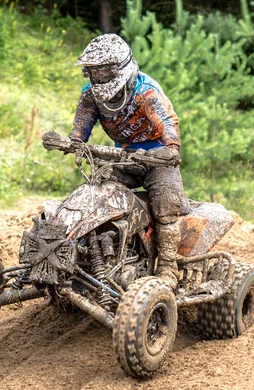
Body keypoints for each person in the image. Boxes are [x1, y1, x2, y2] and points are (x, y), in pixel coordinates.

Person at [69, 33, 188, 290]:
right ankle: (91, 254)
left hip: (158, 158)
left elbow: (167, 123)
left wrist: (171, 149)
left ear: (120, 68)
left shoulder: (146, 92)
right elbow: (81, 126)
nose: (99, 76)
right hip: (122, 157)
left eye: (104, 70)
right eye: (93, 71)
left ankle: (168, 267)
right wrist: (72, 141)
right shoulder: (90, 95)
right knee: (96, 192)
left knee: (165, 205)